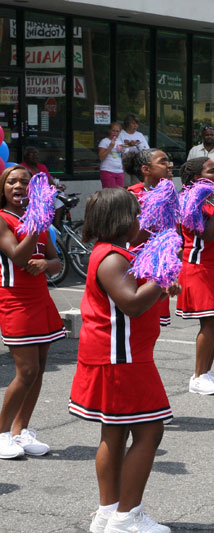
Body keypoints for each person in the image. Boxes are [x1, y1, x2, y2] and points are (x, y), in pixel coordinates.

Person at [68, 188, 176, 532]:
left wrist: (158, 282)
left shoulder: (111, 252)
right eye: (135, 214)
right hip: (122, 359)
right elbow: (131, 302)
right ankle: (127, 517)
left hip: (116, 356)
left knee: (114, 434)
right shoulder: (113, 258)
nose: (140, 221)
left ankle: (108, 512)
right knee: (150, 432)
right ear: (121, 220)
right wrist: (161, 277)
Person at [0, 165, 65, 459]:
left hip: (41, 300)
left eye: (24, 182)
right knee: (25, 371)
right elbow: (17, 255)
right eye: (11, 181)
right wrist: (38, 223)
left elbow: (56, 261)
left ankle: (20, 431)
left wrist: (46, 265)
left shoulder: (35, 220)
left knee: (38, 369)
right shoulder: (2, 219)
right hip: (15, 301)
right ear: (2, 188)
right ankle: (2, 433)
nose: (18, 186)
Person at [176, 157, 214, 395]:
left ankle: (206, 372)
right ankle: (198, 376)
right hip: (200, 268)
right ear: (196, 177)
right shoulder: (192, 200)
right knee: (210, 322)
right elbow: (207, 236)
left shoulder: (210, 197)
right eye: (211, 171)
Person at [123, 149, 175, 327]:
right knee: (137, 325)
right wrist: (155, 209)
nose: (169, 166)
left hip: (161, 267)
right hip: (137, 267)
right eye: (163, 162)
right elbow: (134, 239)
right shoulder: (132, 196)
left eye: (169, 162)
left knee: (153, 327)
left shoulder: (168, 194)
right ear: (146, 170)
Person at [97, 122, 126, 188]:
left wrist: (123, 151)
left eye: (117, 131)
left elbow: (122, 157)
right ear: (109, 131)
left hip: (119, 171)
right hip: (107, 170)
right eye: (113, 130)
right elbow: (101, 157)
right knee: (110, 194)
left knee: (120, 193)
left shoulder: (120, 142)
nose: (115, 133)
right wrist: (110, 147)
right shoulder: (104, 141)